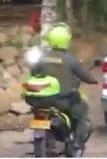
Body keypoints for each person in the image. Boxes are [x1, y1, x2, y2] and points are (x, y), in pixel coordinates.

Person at [32, 23, 98, 156]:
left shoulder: (41, 58)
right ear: (66, 40)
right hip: (63, 101)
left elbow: (34, 73)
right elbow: (85, 76)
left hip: (42, 101)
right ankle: (77, 144)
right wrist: (93, 80)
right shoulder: (70, 59)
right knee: (82, 109)